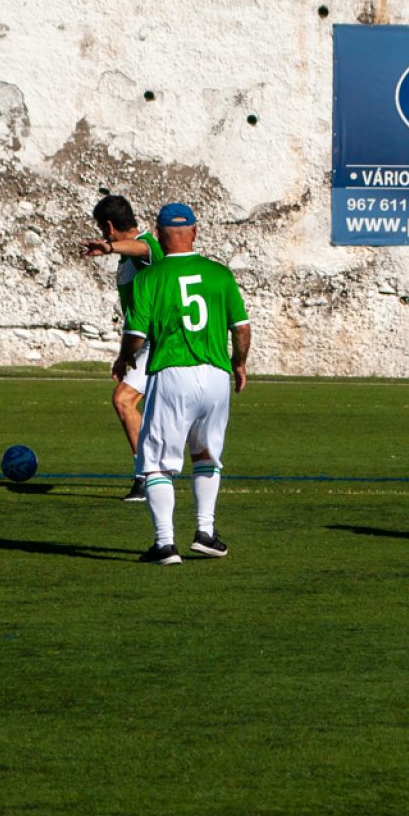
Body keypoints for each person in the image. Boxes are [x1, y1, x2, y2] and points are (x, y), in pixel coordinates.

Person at [112, 202, 250, 565]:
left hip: (174, 372)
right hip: (216, 375)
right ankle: (206, 532)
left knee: (157, 463)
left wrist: (124, 358)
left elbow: (136, 334)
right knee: (206, 455)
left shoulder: (150, 278)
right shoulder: (220, 274)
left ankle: (164, 544)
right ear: (195, 232)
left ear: (158, 234)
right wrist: (239, 364)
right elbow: (242, 327)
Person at [80, 194, 164, 501]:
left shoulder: (145, 247)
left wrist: (110, 246)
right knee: (131, 403)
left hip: (161, 341)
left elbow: (144, 247)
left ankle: (147, 475)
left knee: (124, 400)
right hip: (146, 344)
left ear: (109, 225)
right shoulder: (125, 257)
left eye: (102, 229)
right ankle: (150, 472)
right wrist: (124, 354)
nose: (103, 234)